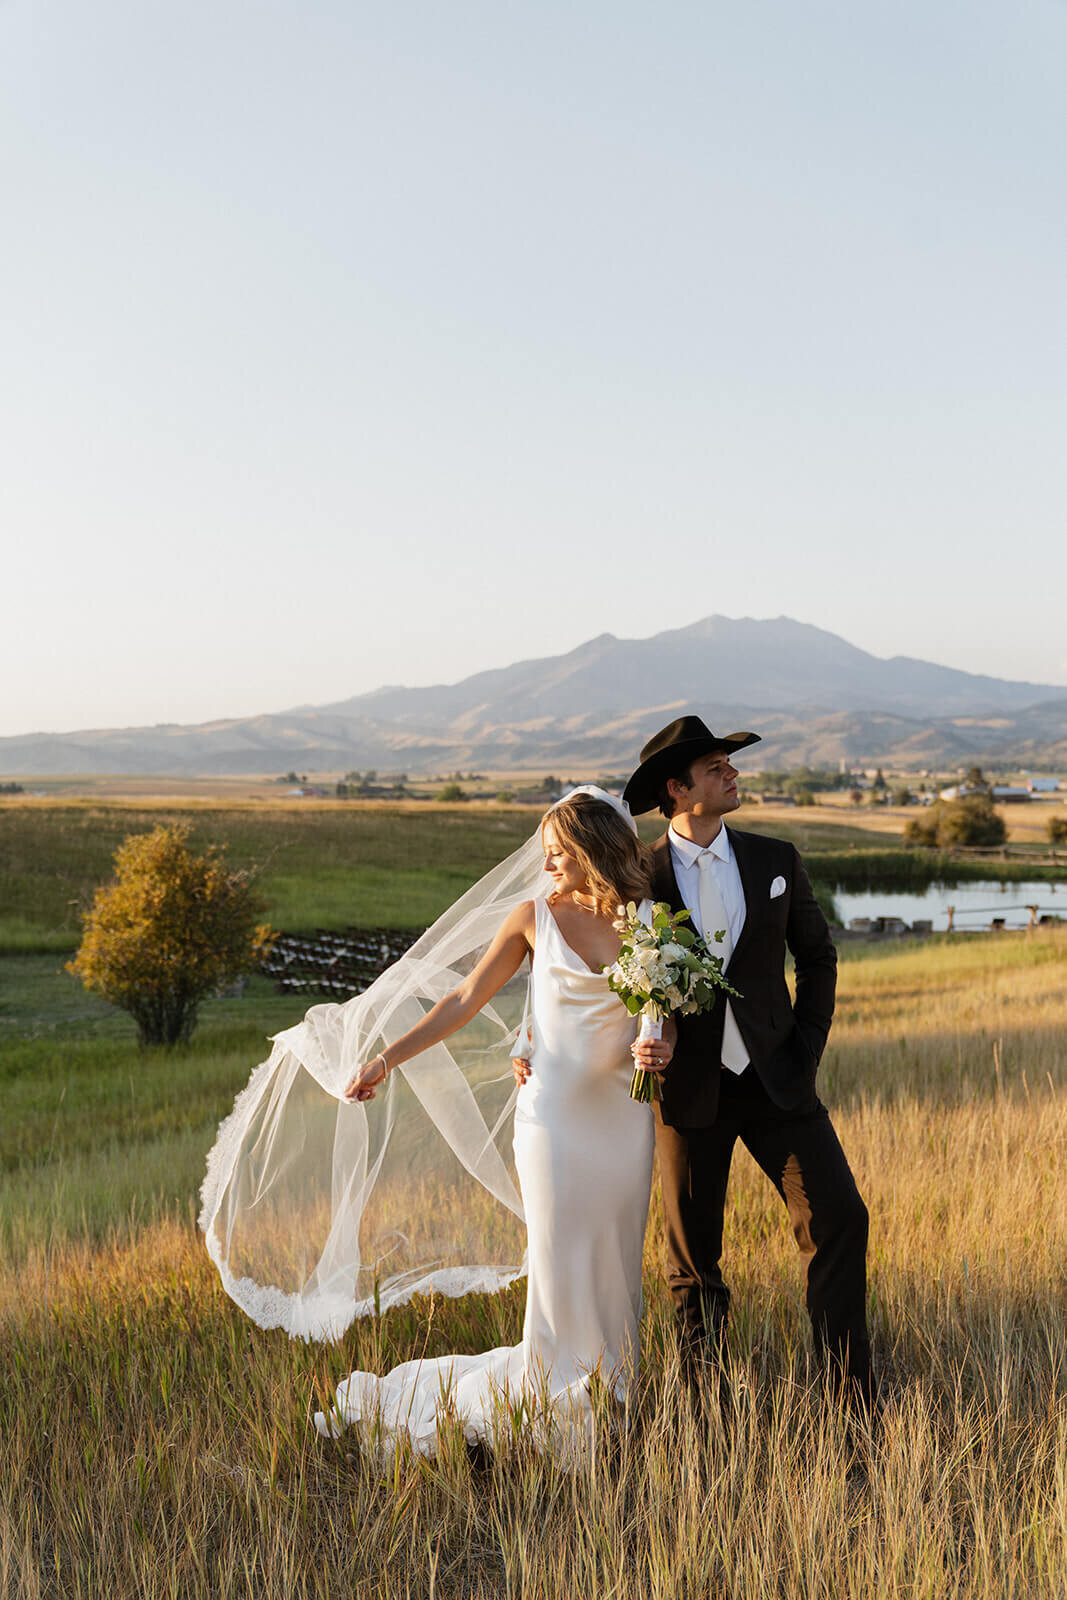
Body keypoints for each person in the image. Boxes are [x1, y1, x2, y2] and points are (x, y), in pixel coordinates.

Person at [295, 789, 670, 1455]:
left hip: (623, 1119)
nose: (547, 862)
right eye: (546, 852)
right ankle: (549, 1400)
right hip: (552, 1120)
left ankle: (612, 1395)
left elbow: (663, 1012)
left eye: (560, 852)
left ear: (597, 851)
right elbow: (464, 999)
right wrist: (387, 1059)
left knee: (615, 1258)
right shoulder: (531, 918)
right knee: (559, 1257)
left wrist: (661, 1044)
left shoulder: (649, 922)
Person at [622, 717, 875, 1412]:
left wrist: (806, 1044)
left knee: (838, 1220)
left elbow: (817, 956)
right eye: (714, 768)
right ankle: (704, 1407)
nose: (733, 775)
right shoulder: (636, 875)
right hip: (684, 1091)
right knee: (693, 1259)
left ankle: (848, 1397)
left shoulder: (774, 858)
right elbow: (611, 978)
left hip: (778, 1081)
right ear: (676, 790)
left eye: (729, 766)